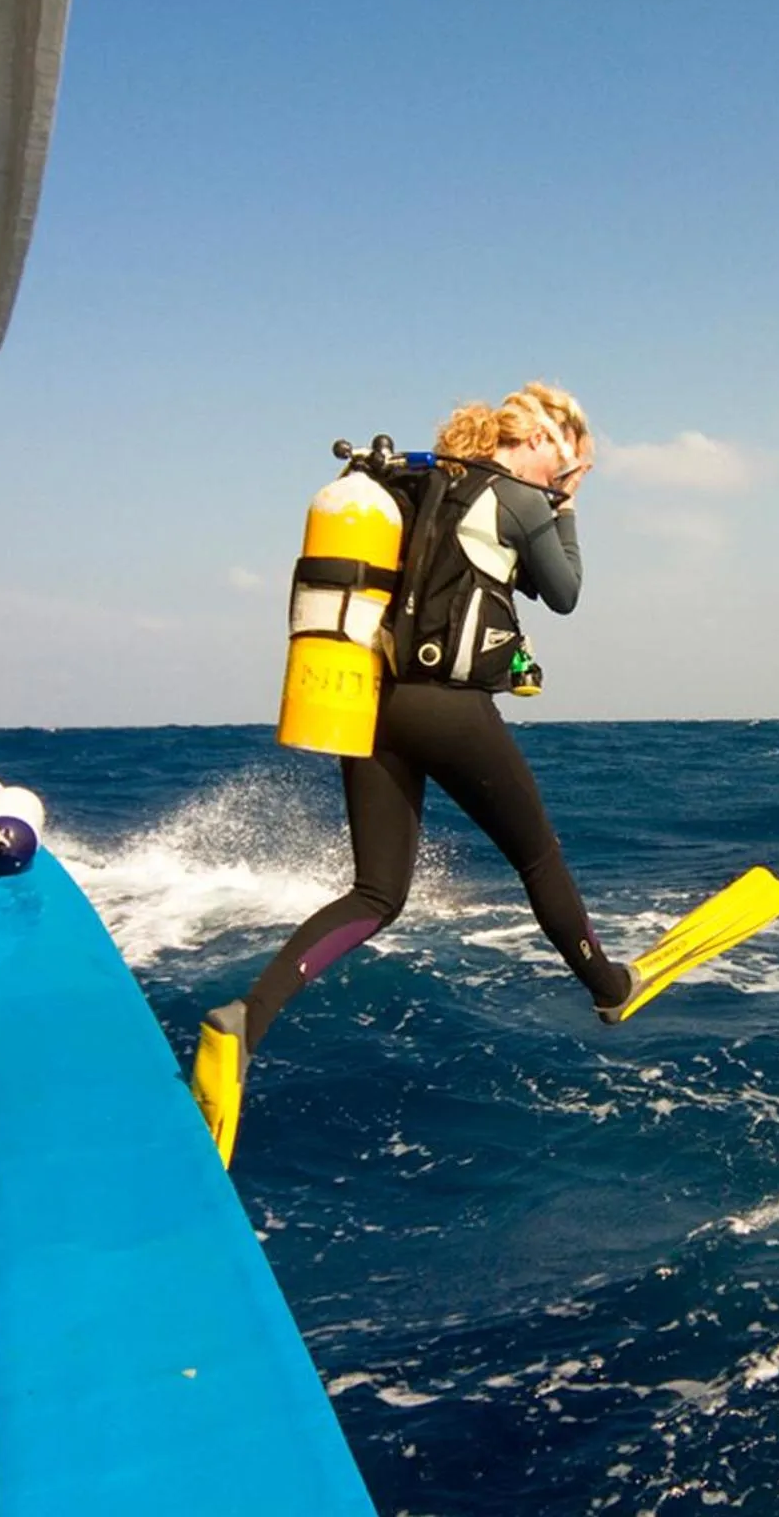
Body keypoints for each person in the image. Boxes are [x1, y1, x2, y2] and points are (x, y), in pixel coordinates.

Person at [201, 383, 642, 1077]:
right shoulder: (520, 500)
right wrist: (566, 508)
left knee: (376, 893)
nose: (561, 473)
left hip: (374, 701)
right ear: (537, 440)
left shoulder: (423, 486)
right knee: (537, 858)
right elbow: (564, 592)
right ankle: (609, 987)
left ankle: (247, 1021)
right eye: (564, 460)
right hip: (448, 708)